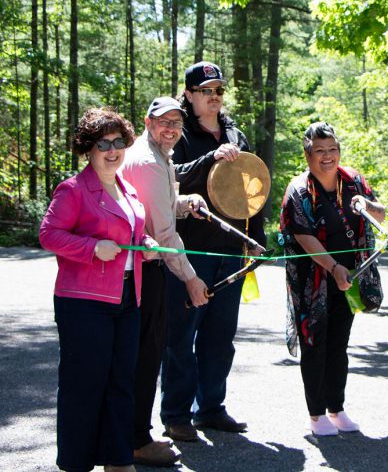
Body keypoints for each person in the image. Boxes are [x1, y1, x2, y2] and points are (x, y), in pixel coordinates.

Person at [39, 108, 158, 472]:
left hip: (127, 298)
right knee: (84, 384)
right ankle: (76, 462)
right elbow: (48, 235)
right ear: (88, 149)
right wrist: (91, 248)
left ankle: (118, 459)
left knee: (122, 382)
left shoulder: (128, 190)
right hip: (84, 303)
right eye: (103, 143)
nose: (112, 150)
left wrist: (147, 243)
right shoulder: (73, 190)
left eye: (118, 141)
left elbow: (132, 235)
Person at [160, 61, 266, 441]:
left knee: (220, 337)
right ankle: (175, 414)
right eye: (206, 91)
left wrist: (259, 237)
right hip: (190, 252)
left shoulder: (235, 132)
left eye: (218, 90)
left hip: (231, 248)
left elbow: (253, 186)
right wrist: (212, 158)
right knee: (180, 337)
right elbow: (169, 176)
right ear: (188, 95)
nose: (214, 97)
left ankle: (211, 409)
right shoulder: (177, 131)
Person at [278, 121, 386, 436]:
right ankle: (316, 414)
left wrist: (367, 205)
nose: (328, 157)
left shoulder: (354, 181)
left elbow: (380, 213)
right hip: (313, 279)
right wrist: (333, 268)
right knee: (315, 342)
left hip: (350, 276)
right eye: (320, 151)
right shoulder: (300, 189)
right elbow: (304, 236)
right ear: (308, 155)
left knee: (339, 344)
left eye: (333, 150)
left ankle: (336, 408)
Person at [120, 97, 209, 466]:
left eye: (176, 122)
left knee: (144, 352)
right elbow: (165, 233)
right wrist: (191, 279)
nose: (171, 128)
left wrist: (186, 201)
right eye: (163, 121)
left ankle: (133, 433)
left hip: (141, 267)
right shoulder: (146, 160)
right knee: (144, 355)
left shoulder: (158, 156)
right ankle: (137, 439)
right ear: (147, 121)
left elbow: (161, 205)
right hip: (142, 270)